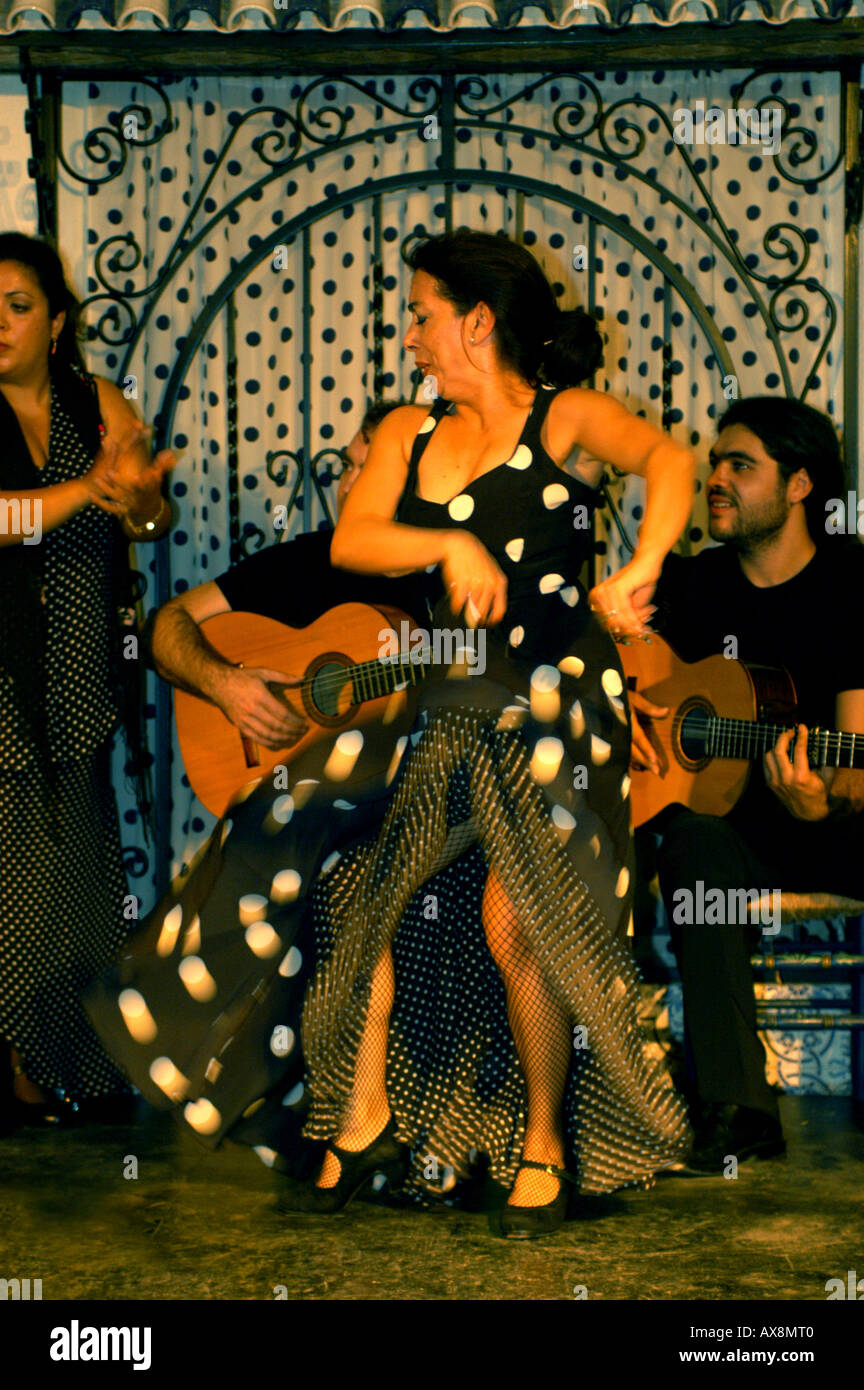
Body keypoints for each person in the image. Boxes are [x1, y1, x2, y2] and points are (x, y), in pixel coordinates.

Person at [85, 228, 695, 1239]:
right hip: (453, 694)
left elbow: (668, 460)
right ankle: (352, 1112)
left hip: (559, 691)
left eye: (419, 313)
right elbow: (356, 537)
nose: (407, 332)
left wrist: (642, 569)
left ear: (477, 321)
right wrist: (450, 538)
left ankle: (545, 1139)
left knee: (517, 914)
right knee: (338, 864)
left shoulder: (568, 415)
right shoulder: (413, 429)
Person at [630, 396, 864, 1172]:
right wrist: (625, 705)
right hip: (740, 835)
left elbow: (854, 755)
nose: (716, 479)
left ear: (798, 486)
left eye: (740, 465)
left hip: (835, 821)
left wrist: (826, 802)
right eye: (715, 465)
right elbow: (605, 660)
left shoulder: (852, 581)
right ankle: (739, 1108)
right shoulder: (692, 586)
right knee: (690, 842)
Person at [0, 232, 174, 1130]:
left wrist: (139, 499)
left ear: (57, 322)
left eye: (18, 305)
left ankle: (84, 1063)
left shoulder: (96, 400)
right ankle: (25, 1072)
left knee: (82, 874)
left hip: (79, 660)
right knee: (18, 873)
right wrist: (87, 489)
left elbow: (145, 515)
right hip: (4, 670)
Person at [148, 401, 430, 754]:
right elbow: (166, 624)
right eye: (346, 466)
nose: (346, 486)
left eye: (369, 469)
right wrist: (225, 685)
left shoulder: (445, 577)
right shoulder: (301, 562)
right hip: (287, 791)